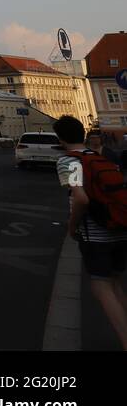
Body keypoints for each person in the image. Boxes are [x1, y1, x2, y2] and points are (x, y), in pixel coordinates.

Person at [53, 115, 127, 350]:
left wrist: (72, 225)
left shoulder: (69, 161)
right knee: (114, 284)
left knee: (101, 287)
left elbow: (81, 198)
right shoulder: (98, 156)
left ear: (61, 138)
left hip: (95, 233)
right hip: (120, 227)